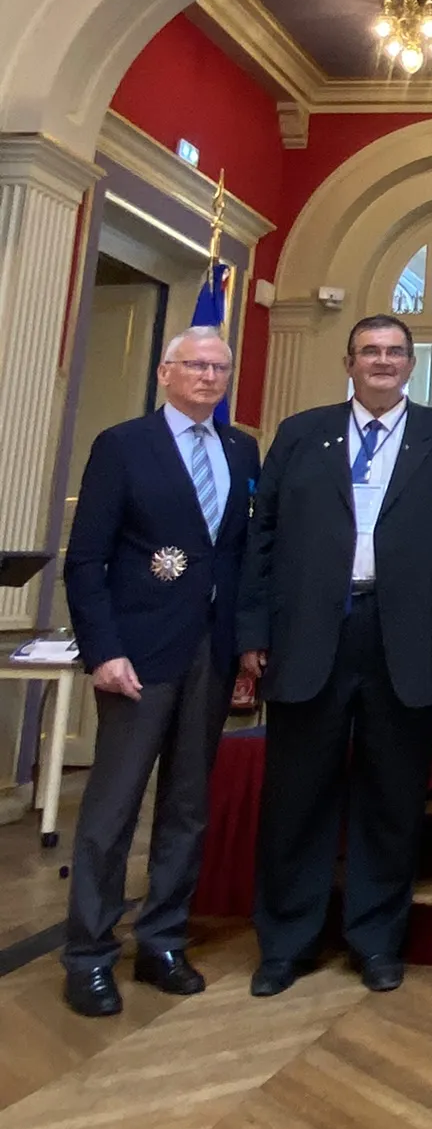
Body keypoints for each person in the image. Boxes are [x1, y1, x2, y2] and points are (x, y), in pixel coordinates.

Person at [238, 314, 432, 996]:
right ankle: (287, 943)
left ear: (411, 364)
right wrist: (252, 632)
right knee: (297, 796)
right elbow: (262, 540)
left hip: (409, 638)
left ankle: (376, 940)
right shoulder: (299, 434)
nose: (382, 362)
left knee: (392, 797)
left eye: (395, 353)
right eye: (370, 352)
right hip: (309, 636)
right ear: (349, 362)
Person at [60, 326, 260, 1016]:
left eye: (220, 367)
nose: (209, 377)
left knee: (186, 805)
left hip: (213, 647)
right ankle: (87, 952)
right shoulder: (123, 446)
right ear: (165, 374)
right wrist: (102, 650)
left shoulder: (240, 448)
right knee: (112, 809)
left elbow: (237, 554)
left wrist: (246, 646)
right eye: (196, 366)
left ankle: (162, 940)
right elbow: (86, 561)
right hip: (137, 653)